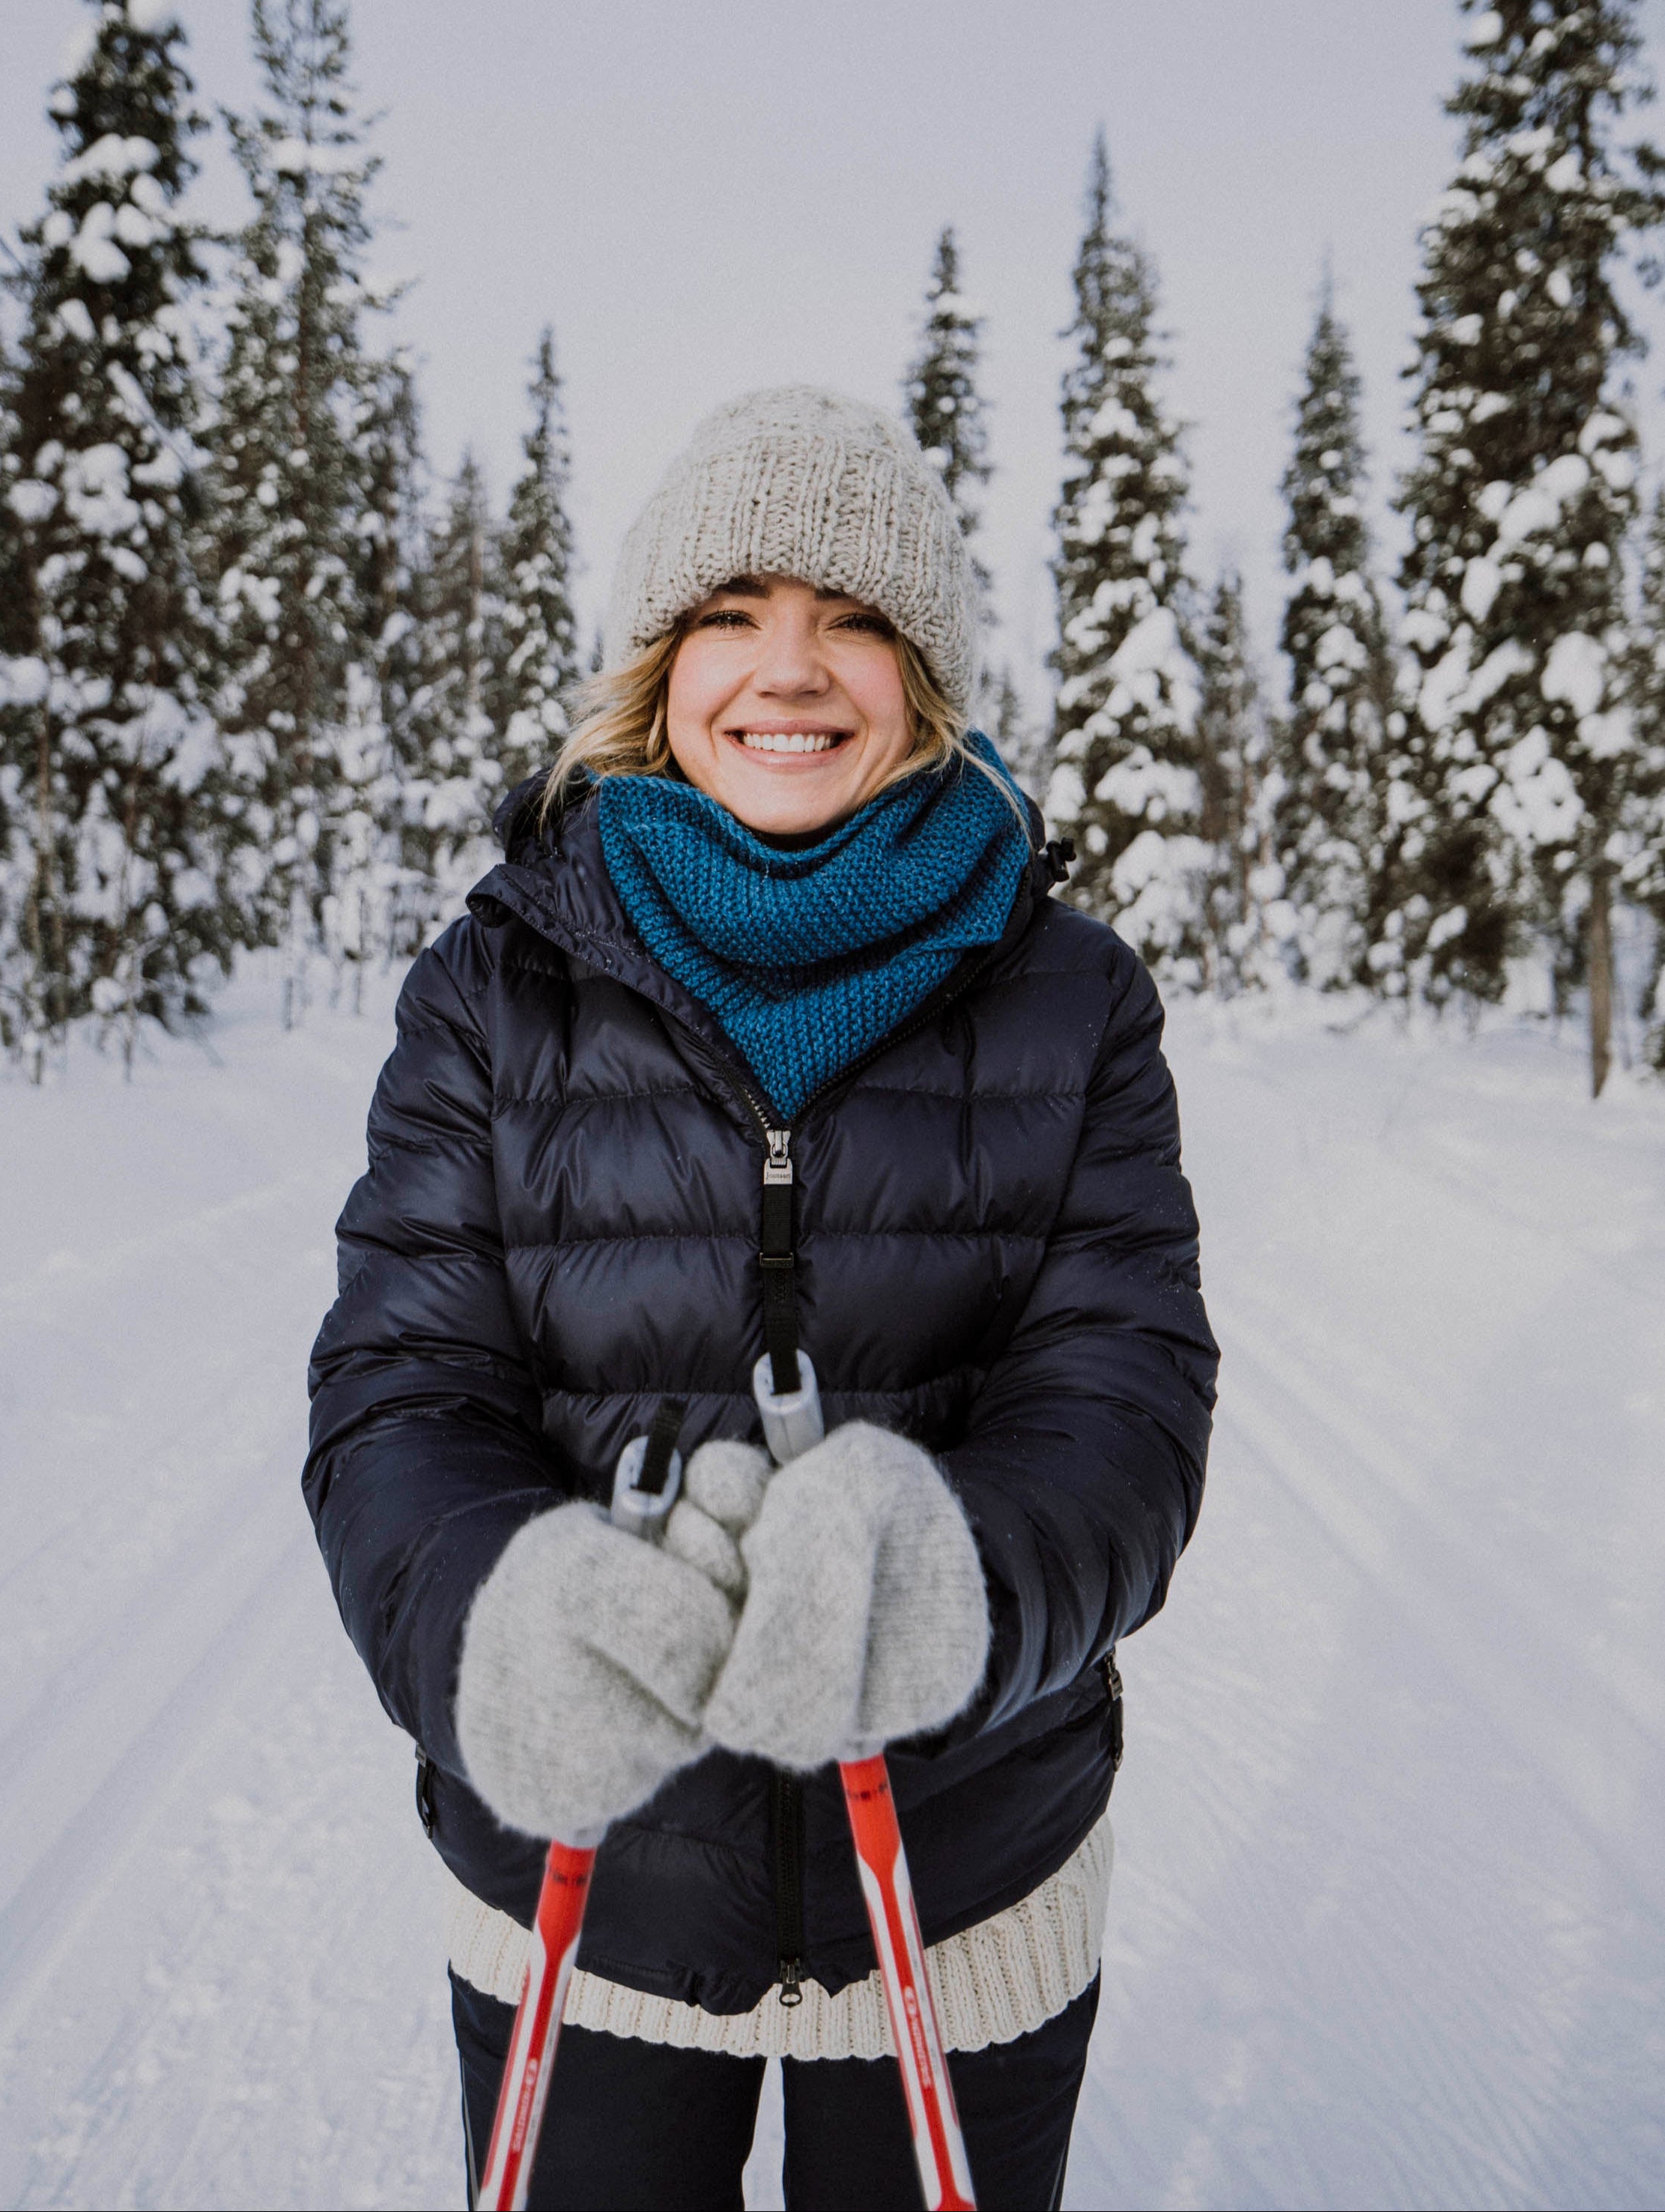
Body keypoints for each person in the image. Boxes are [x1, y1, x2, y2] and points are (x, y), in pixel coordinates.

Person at [304, 387, 1217, 2210]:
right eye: (730, 610)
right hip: (590, 1875)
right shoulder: (493, 991)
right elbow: (401, 1396)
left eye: (854, 615)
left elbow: (1122, 1406)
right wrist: (500, 1623)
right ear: (657, 663)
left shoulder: (1072, 998)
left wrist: (948, 1586)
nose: (788, 668)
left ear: (923, 674)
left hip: (955, 1889)